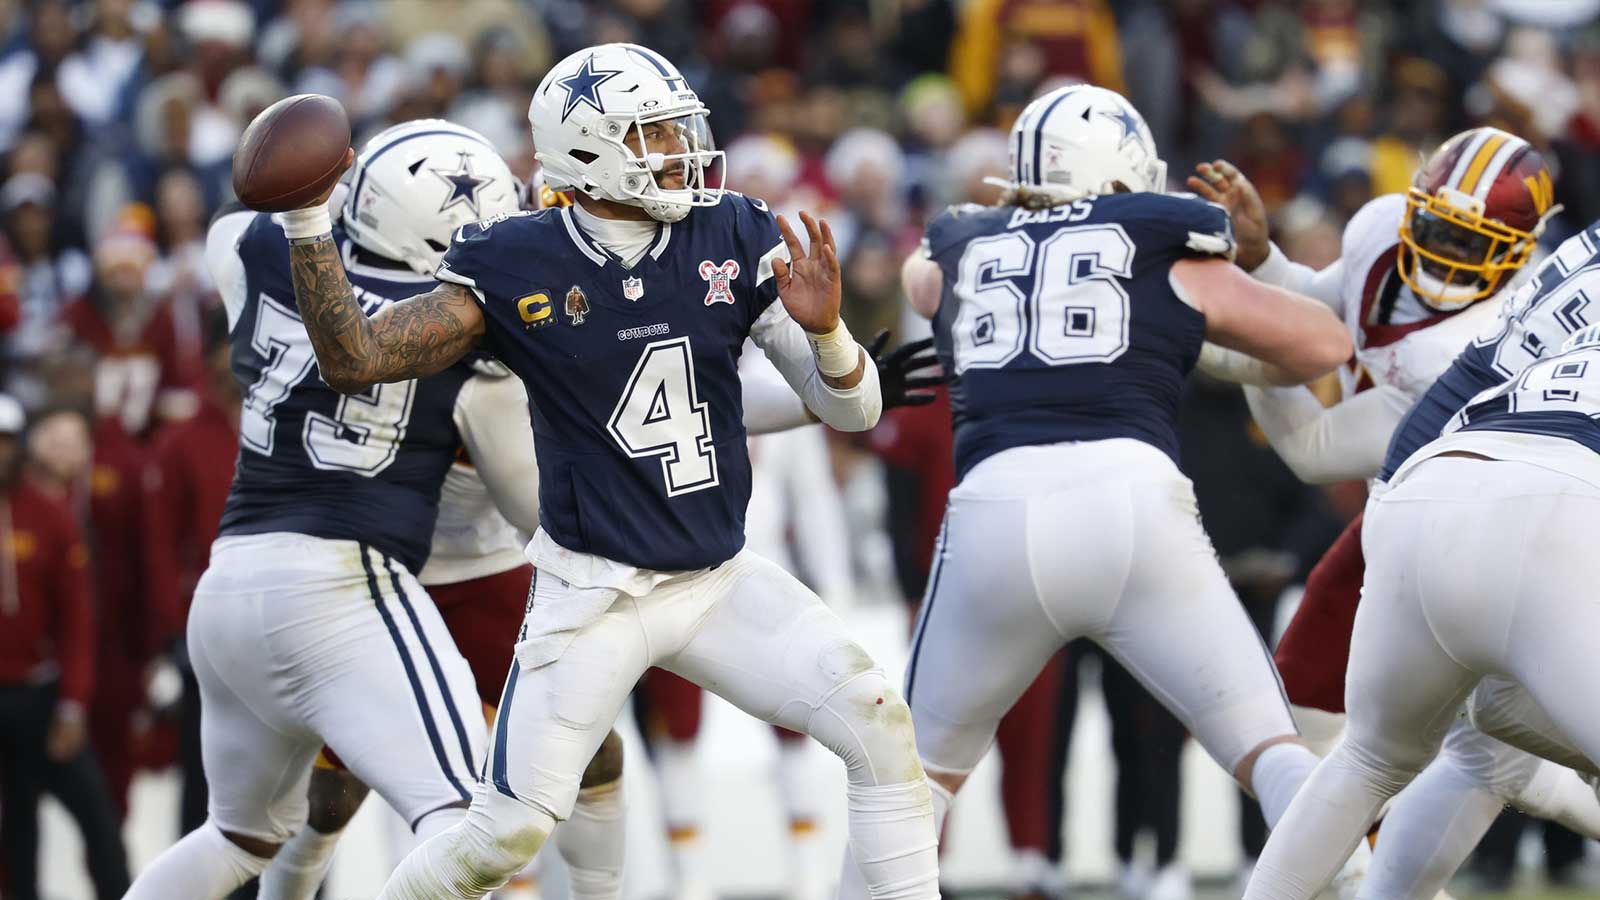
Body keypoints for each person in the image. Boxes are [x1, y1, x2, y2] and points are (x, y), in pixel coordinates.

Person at [268, 43, 939, 900]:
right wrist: (304, 222)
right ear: (588, 151)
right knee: (500, 838)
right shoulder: (516, 261)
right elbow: (357, 357)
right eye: (652, 135)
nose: (680, 149)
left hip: (720, 579)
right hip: (594, 597)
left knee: (880, 726)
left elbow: (855, 411)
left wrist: (828, 333)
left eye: (676, 128)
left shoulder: (729, 227)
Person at [876, 82, 1353, 895]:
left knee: (911, 791)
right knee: (1269, 750)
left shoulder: (961, 245)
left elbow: (924, 279)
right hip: (1135, 504)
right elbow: (1322, 343)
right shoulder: (1161, 238)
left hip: (996, 508)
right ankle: (1369, 886)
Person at [1190, 131, 1600, 897]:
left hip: (1419, 494)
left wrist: (1219, 320)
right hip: (1528, 508)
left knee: (1377, 752)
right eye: (1435, 230)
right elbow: (1319, 323)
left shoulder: (1532, 299)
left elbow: (1315, 431)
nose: (1443, 255)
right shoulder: (1386, 235)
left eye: (1468, 241)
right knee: (1379, 732)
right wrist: (1257, 277)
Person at [119, 119, 514, 900]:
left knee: (235, 838)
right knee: (471, 823)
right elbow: (533, 508)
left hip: (231, 581)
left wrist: (314, 198)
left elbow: (243, 221)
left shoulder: (254, 251)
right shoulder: (469, 329)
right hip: (344, 583)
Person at [1244, 318, 1600, 899]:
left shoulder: (1560, 324)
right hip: (1557, 508)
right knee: (1481, 751)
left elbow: (1436, 406)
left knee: (1369, 760)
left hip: (1424, 490)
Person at [0, 394, 130, 900]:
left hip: (37, 695)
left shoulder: (48, 515)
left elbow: (78, 619)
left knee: (97, 817)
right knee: (17, 832)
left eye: (7, 443)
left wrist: (73, 703)